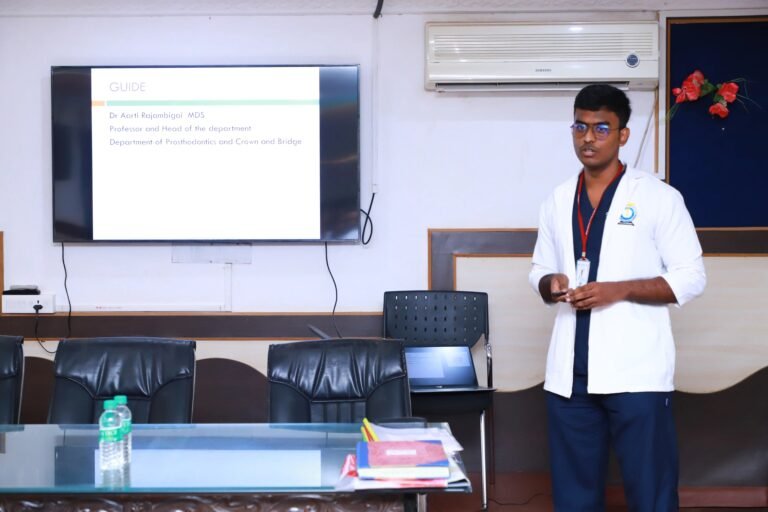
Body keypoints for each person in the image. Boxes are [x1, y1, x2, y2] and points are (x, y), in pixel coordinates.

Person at [528, 84, 706, 511]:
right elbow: (538, 269)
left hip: (636, 373)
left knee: (651, 495)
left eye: (601, 128)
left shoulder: (658, 197)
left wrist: (619, 289)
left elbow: (691, 277)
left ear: (623, 135)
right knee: (573, 498)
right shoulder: (557, 200)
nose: (588, 138)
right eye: (580, 127)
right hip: (570, 378)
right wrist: (551, 283)